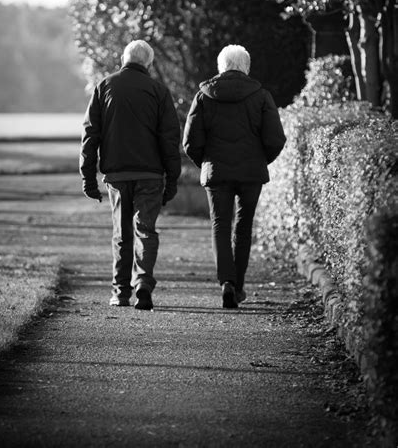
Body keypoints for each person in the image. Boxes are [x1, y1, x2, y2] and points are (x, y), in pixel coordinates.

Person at [182, 44, 286, 309]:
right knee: (243, 226)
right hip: (251, 173)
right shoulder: (261, 95)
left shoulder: (204, 95)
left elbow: (190, 141)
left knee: (220, 225)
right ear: (246, 66)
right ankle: (237, 286)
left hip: (216, 171)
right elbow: (275, 139)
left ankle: (226, 282)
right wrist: (261, 160)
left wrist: (205, 162)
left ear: (221, 66)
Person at [80, 40, 181, 310]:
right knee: (145, 230)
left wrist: (88, 177)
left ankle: (121, 292)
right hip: (150, 174)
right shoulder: (159, 91)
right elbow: (170, 139)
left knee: (121, 233)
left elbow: (90, 135)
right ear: (148, 63)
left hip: (117, 173)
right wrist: (172, 179)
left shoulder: (105, 86)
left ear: (123, 59)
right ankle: (143, 284)